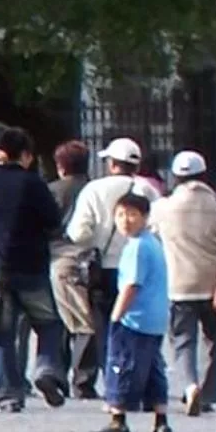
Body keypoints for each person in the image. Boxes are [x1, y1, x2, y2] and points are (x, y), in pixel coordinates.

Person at [0, 128, 69, 411]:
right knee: (48, 323)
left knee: (3, 334)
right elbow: (52, 220)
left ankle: (9, 395)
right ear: (26, 156)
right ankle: (46, 368)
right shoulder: (32, 183)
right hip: (31, 267)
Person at [151, 149, 216, 415]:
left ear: (176, 177)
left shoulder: (162, 207)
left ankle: (189, 385)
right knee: (214, 339)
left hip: (178, 283)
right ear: (204, 174)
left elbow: (153, 239)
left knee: (182, 339)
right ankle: (209, 393)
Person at [68, 137, 154, 396]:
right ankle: (138, 377)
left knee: (104, 326)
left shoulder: (94, 190)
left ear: (112, 164)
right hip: (139, 264)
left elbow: (79, 233)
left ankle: (111, 379)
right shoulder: (147, 191)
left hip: (104, 268)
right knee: (137, 325)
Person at [97, 190, 173, 432]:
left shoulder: (137, 247)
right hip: (155, 319)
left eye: (132, 214)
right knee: (153, 369)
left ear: (145, 217)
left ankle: (118, 420)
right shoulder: (153, 242)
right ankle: (161, 423)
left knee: (121, 365)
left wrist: (116, 316)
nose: (125, 220)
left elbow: (132, 285)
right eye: (119, 214)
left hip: (135, 319)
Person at [46, 140, 100, 396]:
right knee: (87, 320)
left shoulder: (52, 191)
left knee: (65, 321)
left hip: (59, 258)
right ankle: (83, 378)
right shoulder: (94, 190)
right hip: (91, 258)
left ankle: (59, 375)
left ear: (60, 166)